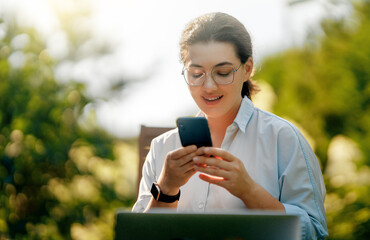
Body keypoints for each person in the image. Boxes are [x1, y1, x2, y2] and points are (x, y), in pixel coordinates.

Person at [132, 12, 328, 239]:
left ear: (247, 69)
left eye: (223, 73)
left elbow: (314, 233)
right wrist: (165, 190)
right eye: (196, 74)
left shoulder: (284, 139)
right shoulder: (161, 148)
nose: (208, 86)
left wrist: (249, 190)